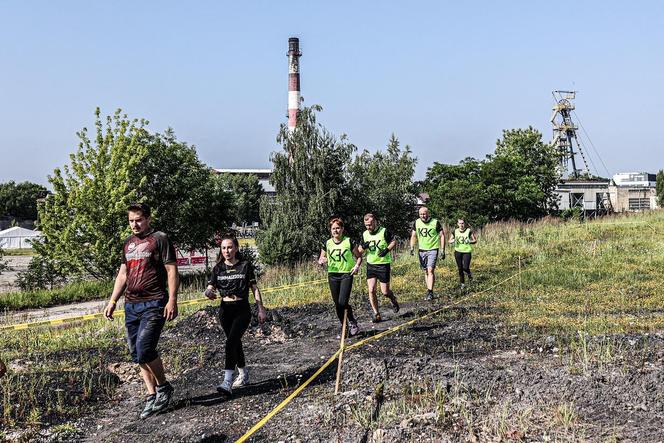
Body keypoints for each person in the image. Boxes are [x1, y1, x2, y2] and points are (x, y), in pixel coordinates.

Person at [104, 203, 179, 420]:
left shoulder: (159, 239)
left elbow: (171, 270)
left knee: (145, 348)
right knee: (136, 354)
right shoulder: (127, 244)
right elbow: (123, 274)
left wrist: (172, 300)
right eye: (131, 220)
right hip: (131, 305)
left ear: (147, 219)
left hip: (154, 302)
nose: (134, 224)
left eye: (138, 219)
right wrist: (112, 300)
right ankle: (151, 395)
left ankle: (164, 387)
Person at [204, 233, 267, 396]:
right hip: (225, 310)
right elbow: (211, 287)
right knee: (234, 342)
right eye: (224, 248)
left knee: (230, 342)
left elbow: (254, 288)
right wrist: (208, 292)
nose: (227, 250)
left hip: (242, 308)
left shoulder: (245, 265)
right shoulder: (217, 268)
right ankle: (244, 374)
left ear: (236, 248)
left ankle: (227, 381)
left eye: (230, 247)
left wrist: (261, 308)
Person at [318, 217, 362, 338]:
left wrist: (356, 266)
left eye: (338, 228)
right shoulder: (327, 243)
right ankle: (345, 329)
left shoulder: (349, 241)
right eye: (333, 228)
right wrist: (322, 261)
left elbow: (359, 256)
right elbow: (321, 259)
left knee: (343, 302)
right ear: (330, 230)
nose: (335, 231)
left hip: (346, 274)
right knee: (337, 304)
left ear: (342, 229)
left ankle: (352, 321)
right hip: (332, 275)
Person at [358, 213, 399, 323]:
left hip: (383, 264)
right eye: (366, 225)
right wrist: (363, 247)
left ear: (375, 222)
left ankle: (393, 299)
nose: (368, 227)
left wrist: (387, 250)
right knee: (371, 290)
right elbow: (359, 251)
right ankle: (376, 314)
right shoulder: (365, 234)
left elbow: (393, 241)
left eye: (370, 224)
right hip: (371, 264)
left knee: (385, 292)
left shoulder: (383, 231)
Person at [409, 206, 445, 300]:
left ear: (428, 213)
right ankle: (428, 289)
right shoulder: (416, 222)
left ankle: (430, 292)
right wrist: (412, 247)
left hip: (433, 249)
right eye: (421, 214)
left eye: (424, 214)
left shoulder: (435, 222)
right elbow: (413, 235)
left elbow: (442, 236)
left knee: (430, 270)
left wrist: (442, 249)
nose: (423, 216)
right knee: (425, 271)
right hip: (421, 250)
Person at [449, 218, 477, 289]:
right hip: (458, 251)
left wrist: (470, 241)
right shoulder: (455, 231)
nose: (461, 225)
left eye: (462, 223)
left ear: (464, 224)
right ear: (457, 224)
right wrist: (453, 240)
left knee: (465, 267)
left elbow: (475, 240)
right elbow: (449, 240)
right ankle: (462, 283)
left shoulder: (468, 231)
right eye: (460, 223)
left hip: (467, 251)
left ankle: (469, 275)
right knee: (460, 268)